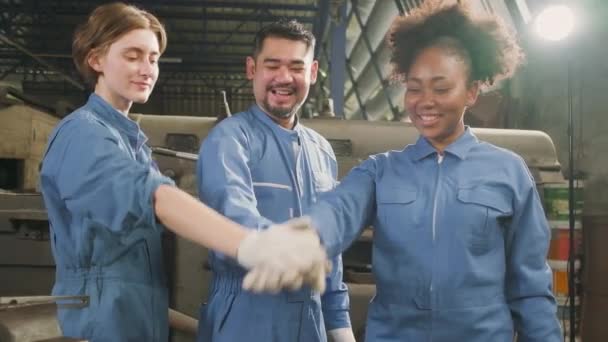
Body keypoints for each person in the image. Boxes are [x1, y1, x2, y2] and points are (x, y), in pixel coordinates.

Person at [255, 2, 562, 341]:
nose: (424, 100)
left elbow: (531, 285)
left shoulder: (508, 173)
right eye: (414, 88)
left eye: (441, 88)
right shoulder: (380, 171)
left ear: (471, 92)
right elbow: (337, 211)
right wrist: (306, 238)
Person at [39, 3, 329, 341]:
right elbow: (152, 196)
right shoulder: (83, 133)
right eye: (132, 56)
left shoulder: (131, 143)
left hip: (134, 323)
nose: (146, 68)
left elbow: (130, 283)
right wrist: (253, 244)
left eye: (153, 58)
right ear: (96, 60)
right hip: (98, 328)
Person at [196, 20, 355, 342]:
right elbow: (232, 212)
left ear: (312, 72)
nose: (284, 78)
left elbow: (330, 246)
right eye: (273, 65)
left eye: (296, 66)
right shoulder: (229, 139)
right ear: (252, 69)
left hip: (311, 318)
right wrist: (287, 248)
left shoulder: (322, 151)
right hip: (246, 310)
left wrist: (339, 326)